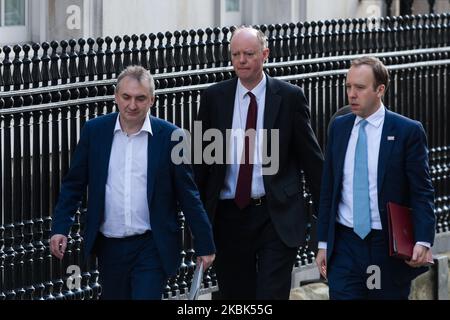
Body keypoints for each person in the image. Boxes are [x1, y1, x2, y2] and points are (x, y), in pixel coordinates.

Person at [50, 65, 215, 300]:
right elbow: (73, 184)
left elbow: (189, 195)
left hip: (151, 245)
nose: (132, 105)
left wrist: (205, 244)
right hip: (109, 247)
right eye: (126, 97)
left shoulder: (170, 137)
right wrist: (60, 228)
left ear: (152, 100)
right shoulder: (94, 132)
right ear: (116, 96)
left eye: (140, 98)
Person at [194, 26, 324, 299]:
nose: (241, 60)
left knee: (270, 296)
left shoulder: (289, 97)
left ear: (264, 54)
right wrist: (198, 225)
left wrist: (326, 228)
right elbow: (200, 166)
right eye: (235, 54)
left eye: (249, 54)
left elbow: (312, 163)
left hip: (275, 215)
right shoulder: (214, 98)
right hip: (228, 217)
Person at [316, 56, 435, 299]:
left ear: (380, 89)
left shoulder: (406, 131)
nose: (351, 94)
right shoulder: (339, 127)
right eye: (348, 87)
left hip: (384, 246)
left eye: (359, 88)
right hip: (345, 244)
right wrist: (323, 244)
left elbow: (421, 191)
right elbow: (328, 189)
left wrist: (423, 240)